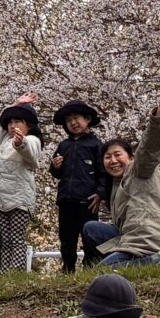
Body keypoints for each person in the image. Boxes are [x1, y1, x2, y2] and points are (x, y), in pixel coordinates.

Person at [86, 86, 160, 265]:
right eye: (107, 157)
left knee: (105, 271)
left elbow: (150, 148)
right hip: (132, 238)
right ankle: (144, 261)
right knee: (91, 229)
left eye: (117, 154)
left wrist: (159, 113)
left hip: (151, 237)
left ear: (131, 158)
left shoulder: (140, 170)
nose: (113, 160)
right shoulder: (115, 186)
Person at [46, 100, 106, 273]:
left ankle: (90, 268)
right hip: (66, 198)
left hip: (88, 200)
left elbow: (103, 172)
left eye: (76, 118)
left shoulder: (96, 145)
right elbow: (57, 173)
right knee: (66, 238)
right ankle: (68, 268)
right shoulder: (63, 145)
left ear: (87, 119)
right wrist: (55, 166)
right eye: (69, 120)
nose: (73, 122)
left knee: (89, 237)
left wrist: (100, 193)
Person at [0, 104, 44, 273]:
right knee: (6, 240)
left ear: (29, 125)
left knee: (17, 239)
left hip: (20, 200)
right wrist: (15, 103)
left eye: (18, 121)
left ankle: (17, 272)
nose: (13, 126)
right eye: (10, 122)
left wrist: (21, 143)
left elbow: (31, 153)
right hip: (1, 199)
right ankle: (5, 273)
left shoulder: (32, 140)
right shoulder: (4, 140)